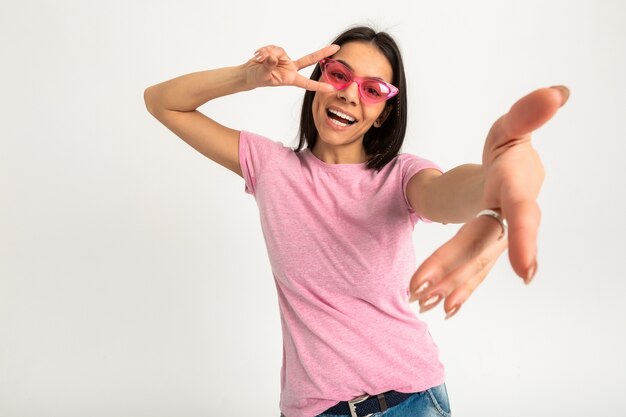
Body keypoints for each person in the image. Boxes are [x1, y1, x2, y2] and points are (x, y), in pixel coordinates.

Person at [144, 25, 568, 417]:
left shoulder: (401, 176)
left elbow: (448, 194)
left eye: (372, 89)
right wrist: (248, 78)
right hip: (312, 409)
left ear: (384, 112)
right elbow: (162, 101)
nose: (350, 95)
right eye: (339, 76)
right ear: (315, 80)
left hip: (411, 401)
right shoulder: (270, 165)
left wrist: (497, 178)